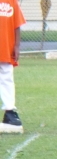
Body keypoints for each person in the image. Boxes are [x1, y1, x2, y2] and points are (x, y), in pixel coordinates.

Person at [0, 0, 26, 134]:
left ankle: (9, 112)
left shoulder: (12, 2)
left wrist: (16, 45)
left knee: (6, 78)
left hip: (5, 46)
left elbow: (17, 25)